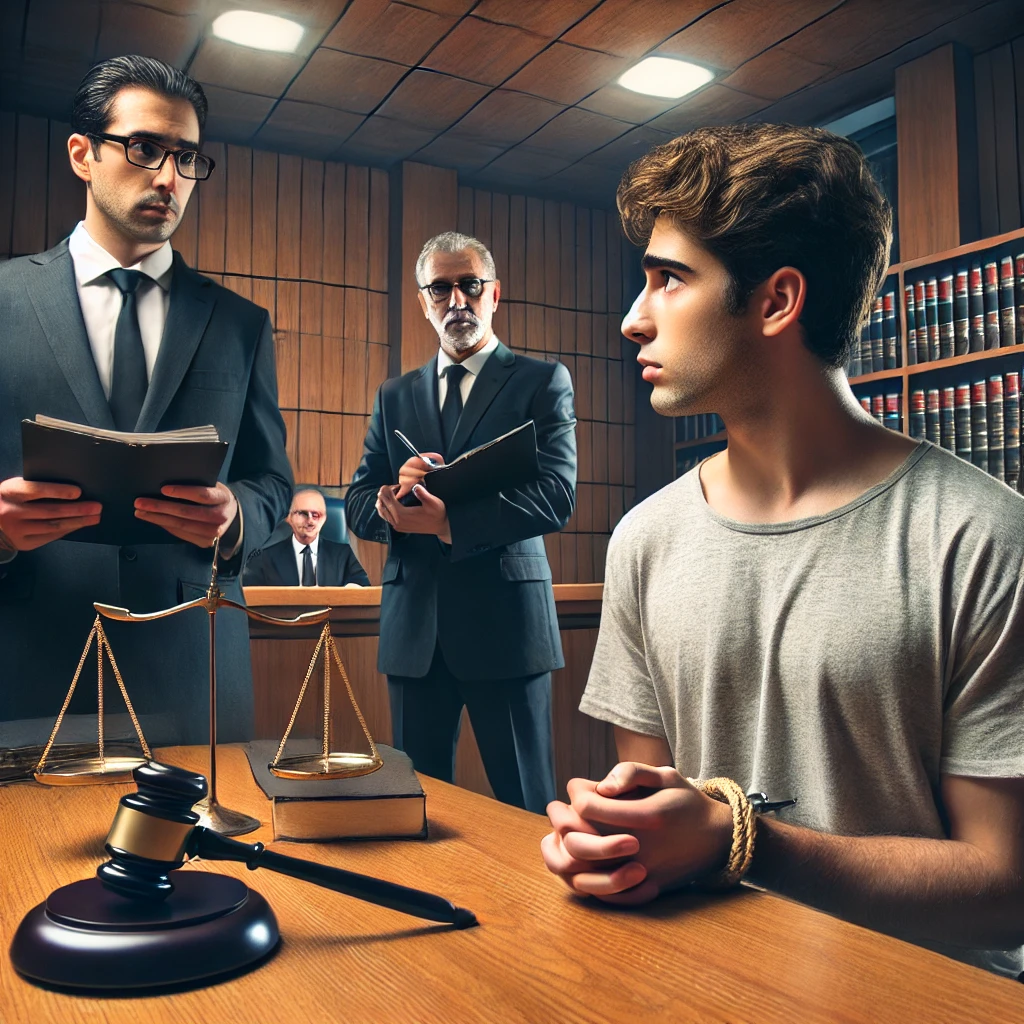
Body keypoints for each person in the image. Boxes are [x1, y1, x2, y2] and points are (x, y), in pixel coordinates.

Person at [541, 124, 1024, 977]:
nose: (632, 318)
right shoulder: (645, 540)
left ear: (775, 301)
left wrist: (744, 843)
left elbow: (1006, 885)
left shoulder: (983, 539)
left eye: (668, 279)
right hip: (705, 991)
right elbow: (654, 822)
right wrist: (610, 847)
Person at [0, 56, 292, 745]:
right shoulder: (3, 300)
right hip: (28, 661)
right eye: (144, 149)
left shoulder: (240, 323)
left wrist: (237, 517)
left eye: (186, 157)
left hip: (192, 671)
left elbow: (273, 480)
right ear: (83, 154)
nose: (168, 177)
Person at [346, 232, 576, 814]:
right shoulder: (393, 395)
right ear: (423, 302)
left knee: (528, 808)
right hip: (414, 633)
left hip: (508, 629)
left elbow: (556, 496)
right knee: (416, 808)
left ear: (494, 293)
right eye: (440, 289)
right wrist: (393, 501)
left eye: (469, 285)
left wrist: (452, 524)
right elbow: (355, 502)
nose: (457, 301)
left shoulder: (541, 382)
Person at [244, 487, 369, 587]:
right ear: (289, 518)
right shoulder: (265, 558)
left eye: (316, 515)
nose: (310, 521)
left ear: (325, 519)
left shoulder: (344, 554)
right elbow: (249, 594)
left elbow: (362, 583)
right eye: (303, 514)